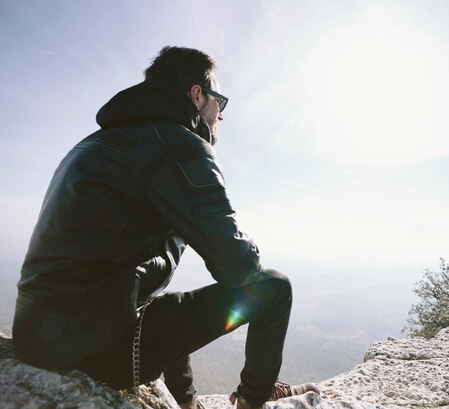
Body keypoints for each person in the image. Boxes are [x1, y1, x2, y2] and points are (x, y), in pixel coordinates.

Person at [12, 46, 319, 409]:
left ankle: (188, 404)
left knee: (163, 303)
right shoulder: (181, 147)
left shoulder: (93, 144)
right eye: (218, 101)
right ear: (197, 95)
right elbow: (238, 267)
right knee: (274, 288)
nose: (220, 116)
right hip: (94, 350)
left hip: (37, 336)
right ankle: (255, 398)